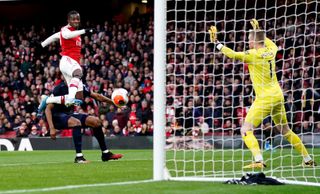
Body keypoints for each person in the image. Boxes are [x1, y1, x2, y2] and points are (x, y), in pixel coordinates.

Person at [208, 19, 317, 168]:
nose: (248, 42)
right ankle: (307, 159)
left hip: (265, 98)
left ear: (253, 41)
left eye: (249, 40)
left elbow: (232, 54)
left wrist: (217, 43)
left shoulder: (253, 54)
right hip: (278, 95)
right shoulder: (271, 49)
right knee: (285, 130)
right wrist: (259, 30)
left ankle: (259, 160)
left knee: (245, 129)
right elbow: (266, 41)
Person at [44, 82, 123, 163]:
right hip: (55, 116)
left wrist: (115, 103)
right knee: (76, 122)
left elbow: (97, 96)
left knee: (96, 122)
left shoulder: (80, 86)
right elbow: (48, 109)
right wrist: (51, 128)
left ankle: (106, 154)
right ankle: (79, 157)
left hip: (68, 113)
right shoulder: (60, 88)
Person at [38, 10, 96, 113]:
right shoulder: (65, 29)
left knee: (79, 98)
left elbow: (54, 37)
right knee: (78, 73)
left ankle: (48, 99)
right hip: (67, 60)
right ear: (68, 20)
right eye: (73, 19)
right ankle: (70, 98)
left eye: (78, 19)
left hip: (72, 64)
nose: (76, 21)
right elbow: (66, 36)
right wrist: (85, 31)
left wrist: (42, 44)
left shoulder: (75, 33)